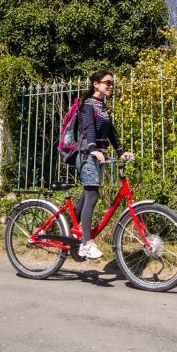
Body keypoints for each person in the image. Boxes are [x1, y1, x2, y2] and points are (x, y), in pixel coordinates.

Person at [74, 69, 132, 260]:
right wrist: (93, 148)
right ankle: (86, 244)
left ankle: (68, 229)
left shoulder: (102, 106)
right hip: (87, 155)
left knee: (86, 197)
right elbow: (88, 127)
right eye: (107, 82)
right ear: (96, 84)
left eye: (111, 83)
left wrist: (121, 151)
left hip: (99, 156)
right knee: (92, 196)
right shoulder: (87, 104)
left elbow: (111, 131)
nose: (110, 85)